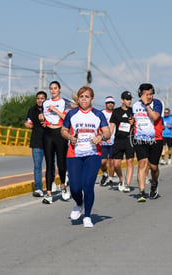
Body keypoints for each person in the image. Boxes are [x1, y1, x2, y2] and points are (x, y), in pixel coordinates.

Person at [61, 86, 111, 227]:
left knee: (88, 186)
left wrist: (100, 137)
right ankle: (79, 203)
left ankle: (87, 216)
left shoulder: (98, 115)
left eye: (87, 97)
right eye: (81, 96)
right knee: (75, 188)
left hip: (93, 154)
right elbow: (63, 130)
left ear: (92, 99)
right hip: (74, 153)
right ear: (79, 98)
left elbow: (107, 132)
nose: (84, 99)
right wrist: (69, 136)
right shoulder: (72, 114)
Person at [132, 83, 163, 202]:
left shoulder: (157, 104)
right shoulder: (135, 106)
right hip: (140, 139)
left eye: (151, 94)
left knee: (153, 167)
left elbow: (155, 117)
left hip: (156, 139)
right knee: (142, 163)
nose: (149, 96)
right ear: (141, 94)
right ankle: (141, 192)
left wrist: (147, 105)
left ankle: (154, 183)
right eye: (146, 94)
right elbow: (134, 120)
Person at [42, 81, 71, 204]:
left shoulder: (64, 102)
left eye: (55, 88)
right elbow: (44, 116)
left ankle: (63, 187)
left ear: (59, 89)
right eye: (51, 88)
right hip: (48, 133)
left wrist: (56, 110)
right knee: (49, 164)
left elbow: (66, 118)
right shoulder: (46, 103)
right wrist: (41, 118)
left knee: (61, 163)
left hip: (60, 133)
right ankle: (48, 193)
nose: (53, 90)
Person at [24, 91, 50, 197]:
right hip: (36, 142)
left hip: (49, 142)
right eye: (38, 98)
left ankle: (50, 186)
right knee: (37, 166)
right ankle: (38, 188)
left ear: (45, 99)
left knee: (50, 166)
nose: (40, 100)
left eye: (42, 98)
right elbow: (27, 121)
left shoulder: (50, 110)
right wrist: (27, 124)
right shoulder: (32, 110)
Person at [110, 91, 134, 192]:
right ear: (122, 100)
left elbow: (138, 125)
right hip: (118, 140)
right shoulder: (116, 112)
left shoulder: (133, 111)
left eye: (130, 99)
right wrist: (107, 137)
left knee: (130, 162)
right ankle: (121, 179)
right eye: (127, 99)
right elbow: (112, 126)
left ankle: (127, 185)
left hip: (129, 140)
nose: (129, 101)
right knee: (116, 165)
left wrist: (133, 122)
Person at [99, 96, 115, 187]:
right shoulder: (101, 113)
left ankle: (111, 178)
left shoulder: (116, 113)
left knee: (112, 161)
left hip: (114, 140)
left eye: (112, 103)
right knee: (103, 162)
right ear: (105, 104)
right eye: (108, 102)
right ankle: (105, 173)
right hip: (103, 140)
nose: (110, 104)